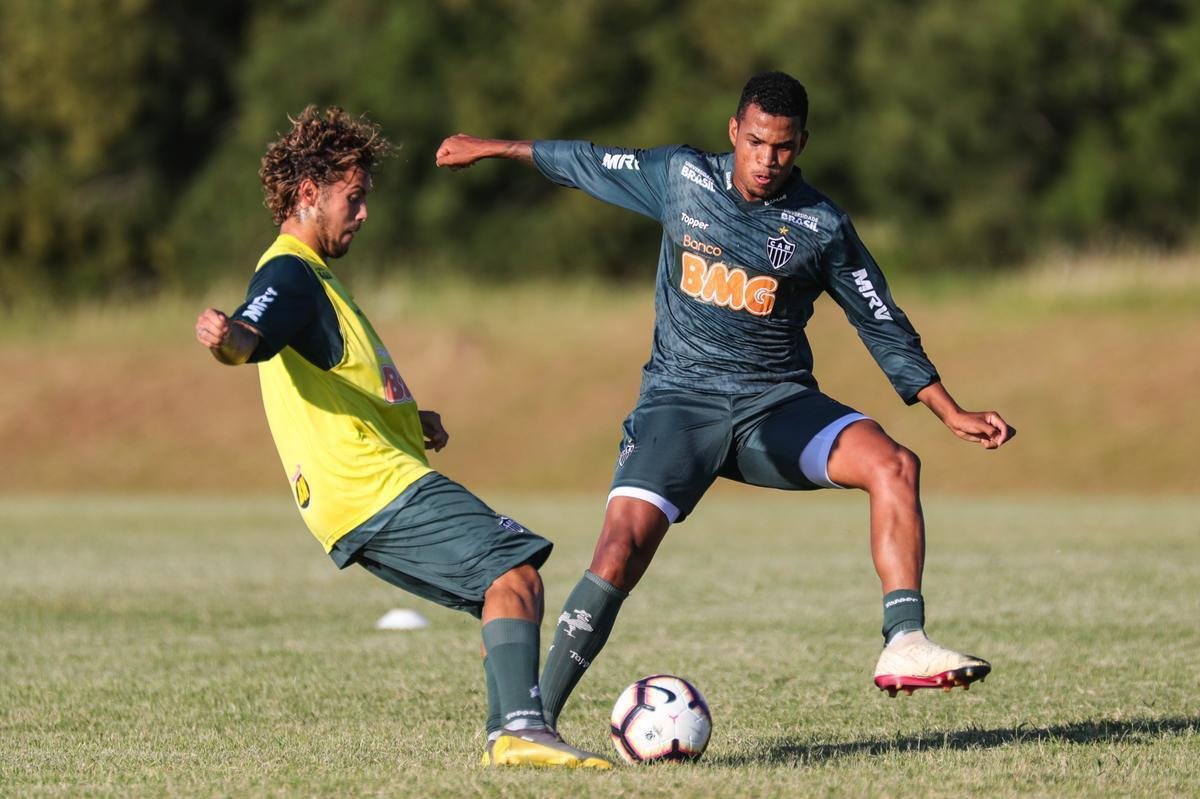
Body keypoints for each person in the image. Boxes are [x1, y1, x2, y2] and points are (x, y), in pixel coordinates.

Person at [435, 71, 1015, 728]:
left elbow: (879, 317)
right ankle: (528, 720)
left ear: (802, 144)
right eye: (758, 141)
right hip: (678, 406)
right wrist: (491, 147)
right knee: (618, 551)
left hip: (776, 408)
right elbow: (583, 161)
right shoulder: (682, 177)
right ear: (734, 132)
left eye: (785, 147)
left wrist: (948, 408)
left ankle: (904, 641)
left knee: (894, 464)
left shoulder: (820, 224)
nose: (768, 160)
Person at [194, 106, 611, 769]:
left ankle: (516, 733)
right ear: (310, 195)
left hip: (361, 485)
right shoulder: (290, 272)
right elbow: (252, 333)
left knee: (503, 585)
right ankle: (520, 732)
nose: (362, 214)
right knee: (513, 571)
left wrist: (408, 418)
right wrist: (230, 340)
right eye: (353, 199)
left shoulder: (318, 278)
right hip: (370, 485)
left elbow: (334, 374)